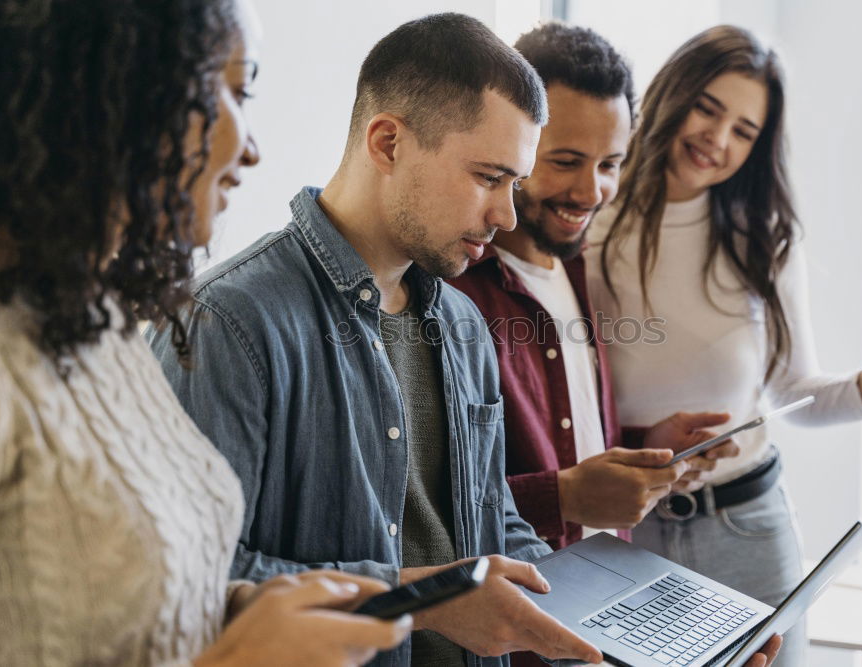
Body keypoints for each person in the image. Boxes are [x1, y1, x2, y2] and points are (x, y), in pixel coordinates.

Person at [148, 13, 604, 667]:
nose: (506, 215)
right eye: (488, 177)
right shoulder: (226, 323)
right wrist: (423, 599)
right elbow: (190, 584)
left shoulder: (466, 324)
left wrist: (616, 641)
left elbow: (492, 526)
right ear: (387, 143)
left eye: (515, 185)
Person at [0, 0, 410, 665]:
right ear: (126, 93)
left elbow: (105, 606)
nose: (252, 148)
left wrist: (240, 608)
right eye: (237, 93)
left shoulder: (95, 326)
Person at [586, 25, 862, 666]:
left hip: (748, 529)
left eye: (744, 129)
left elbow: (794, 394)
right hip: (626, 533)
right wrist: (642, 437)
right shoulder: (590, 222)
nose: (718, 139)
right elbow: (560, 399)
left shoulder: (762, 239)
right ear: (673, 93)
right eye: (708, 108)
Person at [449, 22, 781, 667]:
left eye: (610, 165)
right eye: (566, 161)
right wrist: (565, 496)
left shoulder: (573, 264)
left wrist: (639, 440)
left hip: (612, 612)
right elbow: (428, 510)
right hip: (526, 636)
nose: (591, 192)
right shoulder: (459, 295)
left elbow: (560, 428)